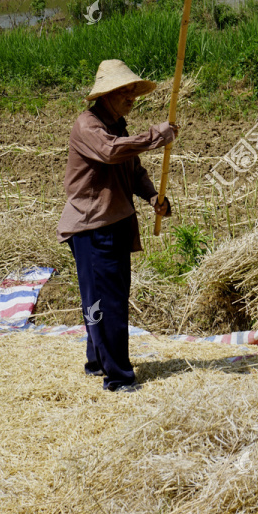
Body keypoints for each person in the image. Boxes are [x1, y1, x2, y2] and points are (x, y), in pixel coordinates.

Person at [56, 59, 179, 393]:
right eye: (124, 91)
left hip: (112, 224)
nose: (131, 97)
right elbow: (111, 153)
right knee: (106, 304)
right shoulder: (88, 125)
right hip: (93, 227)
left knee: (102, 300)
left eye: (132, 91)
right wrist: (156, 136)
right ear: (106, 94)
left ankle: (98, 362)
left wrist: (153, 196)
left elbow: (132, 168)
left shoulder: (118, 124)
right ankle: (119, 378)